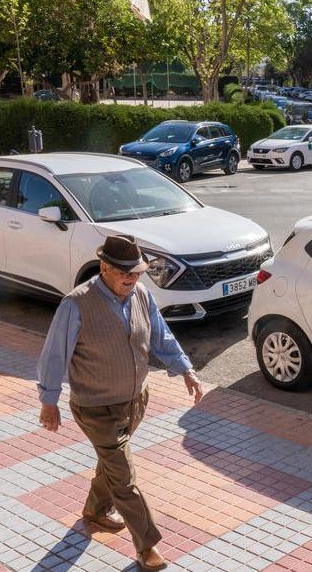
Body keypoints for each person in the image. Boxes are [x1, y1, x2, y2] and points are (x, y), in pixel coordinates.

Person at [37, 234, 203, 572]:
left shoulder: (141, 294)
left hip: (135, 401)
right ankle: (147, 547)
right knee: (124, 476)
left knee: (111, 462)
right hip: (95, 407)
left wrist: (186, 369)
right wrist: (48, 400)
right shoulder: (76, 304)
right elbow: (54, 355)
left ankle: (96, 510)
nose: (132, 279)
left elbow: (161, 335)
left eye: (137, 273)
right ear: (104, 268)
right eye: (125, 273)